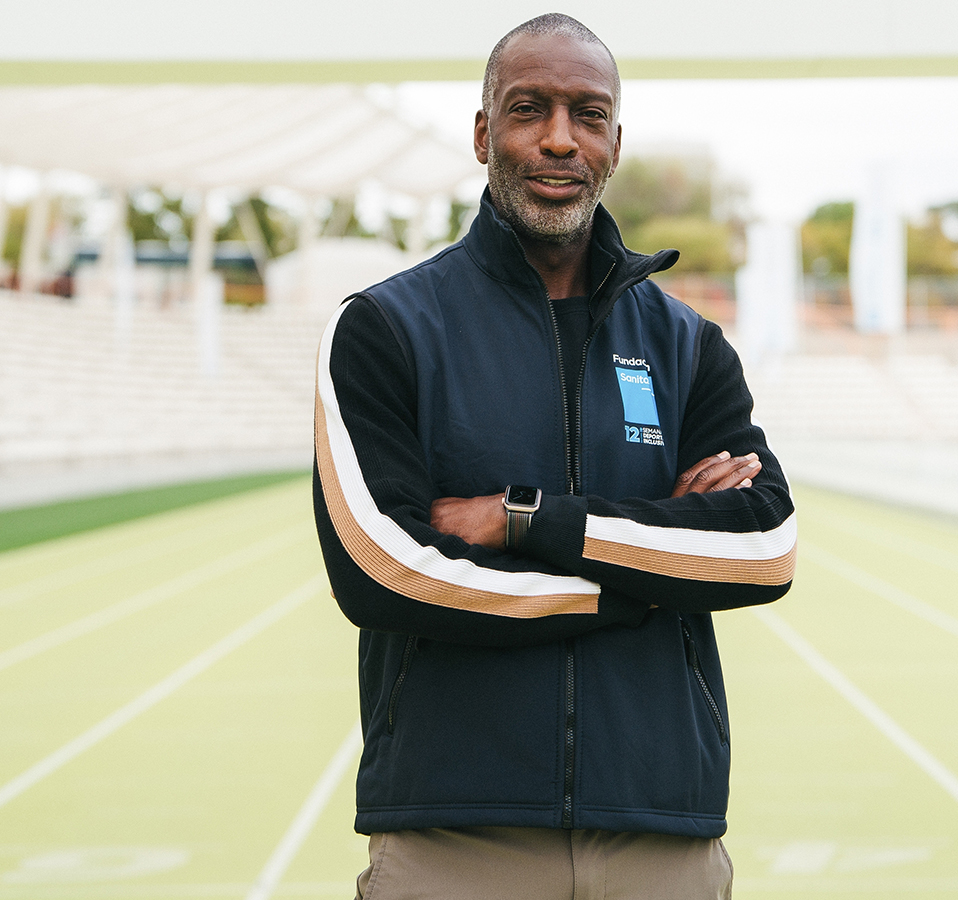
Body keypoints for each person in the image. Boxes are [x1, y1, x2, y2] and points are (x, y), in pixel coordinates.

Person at [313, 13, 796, 899]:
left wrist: (523, 520)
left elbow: (762, 550)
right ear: (482, 133)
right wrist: (645, 579)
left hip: (661, 832)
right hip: (454, 835)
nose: (560, 139)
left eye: (589, 114)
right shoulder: (385, 328)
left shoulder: (688, 345)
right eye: (529, 109)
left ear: (615, 143)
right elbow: (385, 573)